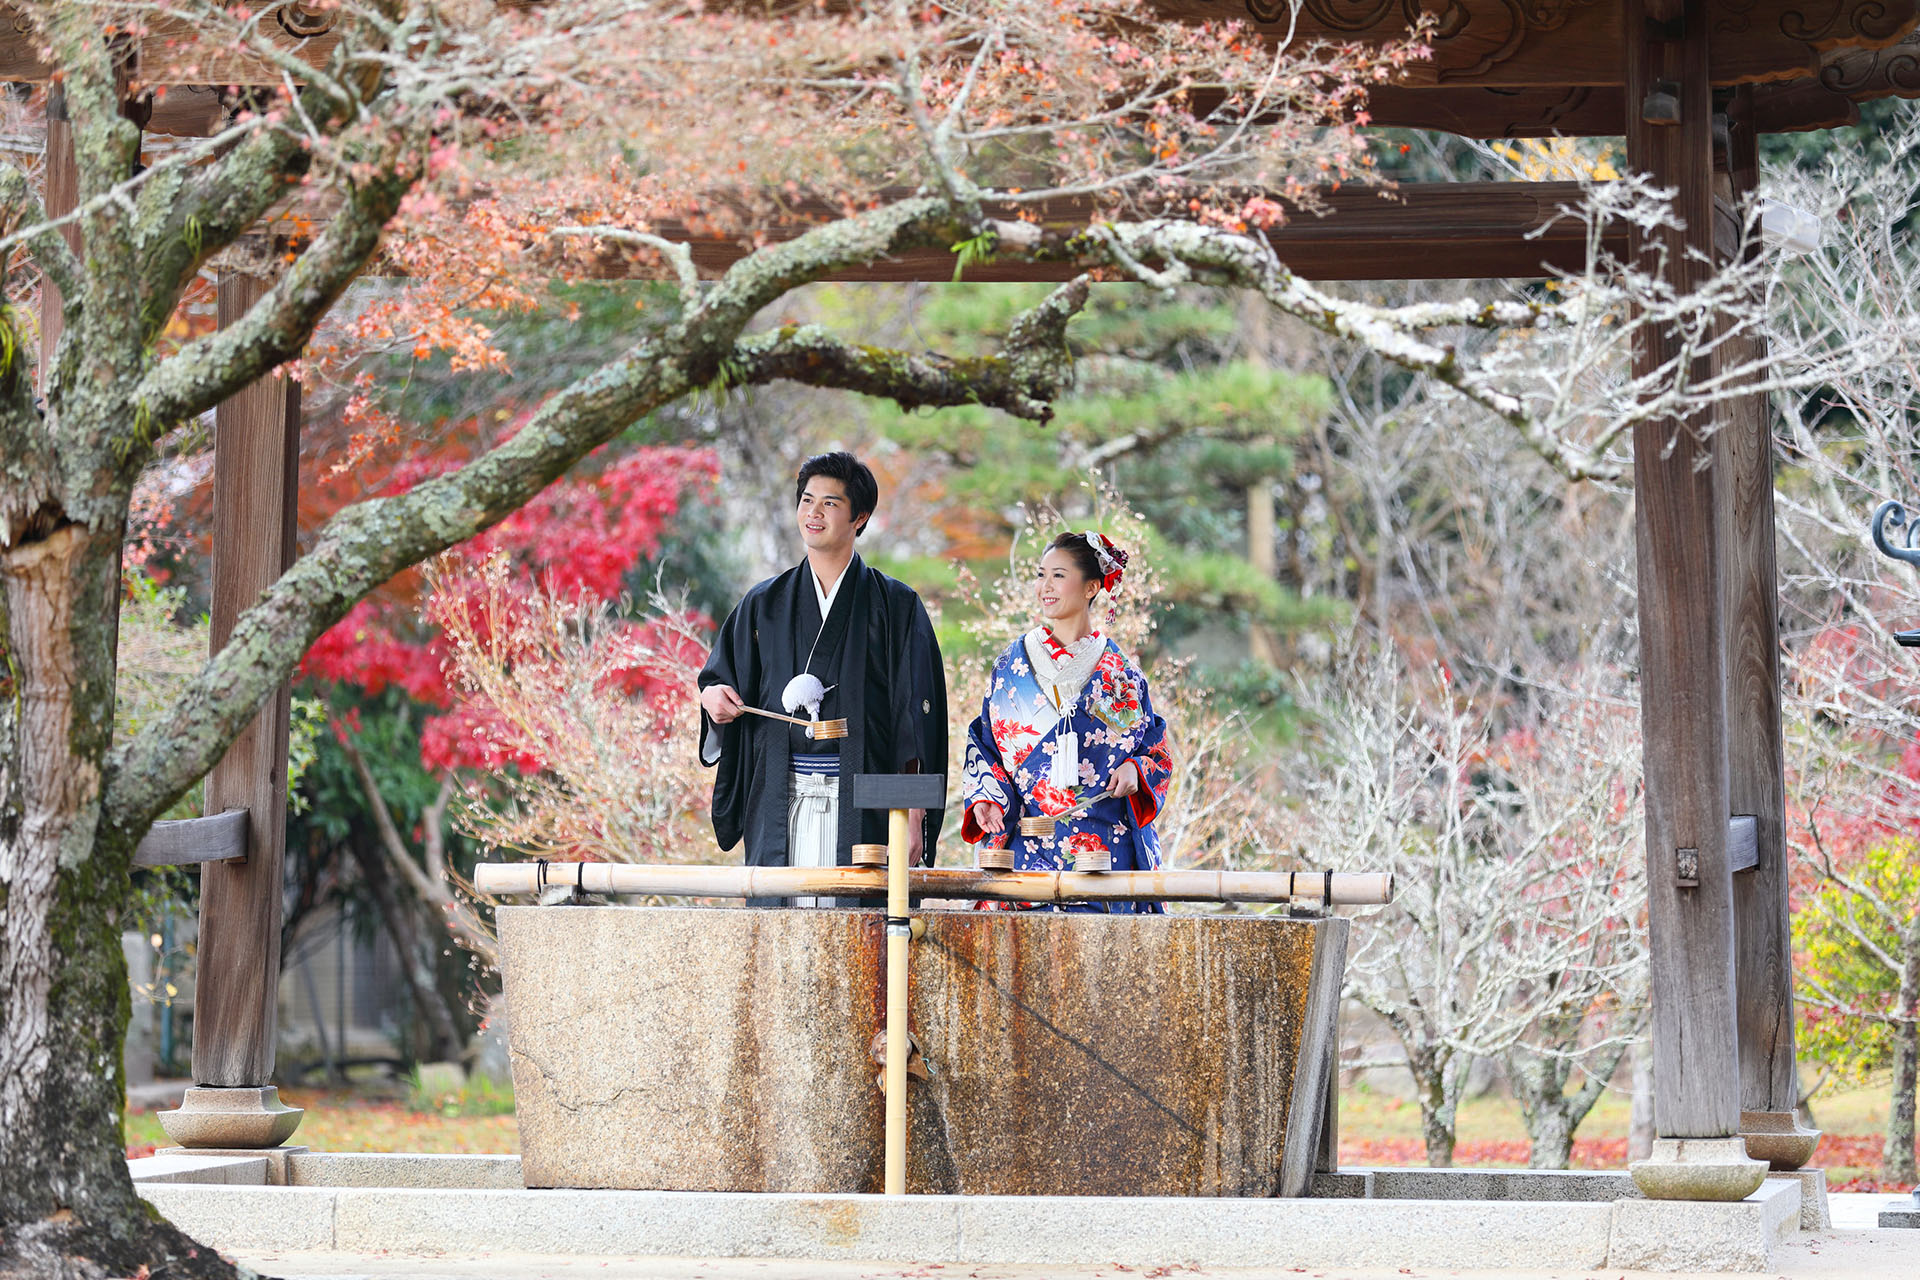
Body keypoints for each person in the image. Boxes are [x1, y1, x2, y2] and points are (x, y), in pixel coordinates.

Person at [697, 452, 947, 903]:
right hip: (780, 794)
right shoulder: (763, 605)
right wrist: (714, 701)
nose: (813, 513)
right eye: (807, 500)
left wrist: (913, 816)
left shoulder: (896, 606)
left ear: (860, 517)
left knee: (864, 937)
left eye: (830, 504)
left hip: (866, 802)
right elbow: (718, 681)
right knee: (780, 933)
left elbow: (916, 718)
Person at [959, 531, 1173, 911]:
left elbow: (1154, 748)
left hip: (1103, 850)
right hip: (1026, 846)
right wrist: (986, 799)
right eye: (1041, 575)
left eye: (1058, 575)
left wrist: (1135, 770)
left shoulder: (1121, 673)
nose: (1045, 587)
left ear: (1092, 587)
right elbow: (985, 743)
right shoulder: (1012, 665)